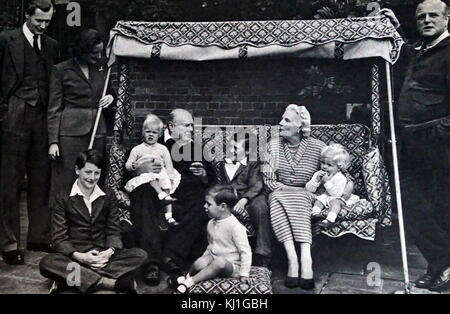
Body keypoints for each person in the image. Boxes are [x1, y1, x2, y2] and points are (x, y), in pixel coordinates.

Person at [382, 0, 450, 292]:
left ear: (447, 18)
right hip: (410, 143)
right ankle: (442, 261)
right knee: (411, 203)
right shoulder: (421, 50)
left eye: (433, 15)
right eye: (421, 16)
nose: (426, 20)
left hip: (436, 143)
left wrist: (439, 132)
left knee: (438, 205)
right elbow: (405, 54)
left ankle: (441, 267)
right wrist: (394, 27)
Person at [39, 150, 148, 294]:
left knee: (140, 255)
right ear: (77, 170)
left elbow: (113, 229)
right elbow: (59, 238)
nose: (92, 178)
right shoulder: (62, 197)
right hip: (76, 255)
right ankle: (108, 283)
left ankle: (74, 280)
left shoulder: (108, 195)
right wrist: (82, 257)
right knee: (47, 262)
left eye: (97, 173)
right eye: (88, 172)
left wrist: (109, 252)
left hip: (102, 255)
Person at [0, 0, 59, 263]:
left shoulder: (51, 45)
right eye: (39, 21)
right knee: (9, 181)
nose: (43, 26)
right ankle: (9, 243)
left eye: (47, 21)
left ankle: (38, 237)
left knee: (41, 178)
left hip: (42, 117)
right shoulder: (5, 39)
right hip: (13, 114)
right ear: (27, 16)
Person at [129, 108, 215, 286]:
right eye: (186, 125)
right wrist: (141, 169)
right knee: (142, 194)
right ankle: (151, 263)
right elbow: (131, 170)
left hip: (186, 195)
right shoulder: (153, 141)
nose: (191, 129)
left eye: (191, 125)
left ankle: (171, 257)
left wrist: (203, 174)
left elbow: (212, 179)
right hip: (156, 191)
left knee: (200, 201)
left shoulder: (196, 148)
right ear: (171, 126)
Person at [47, 28, 114, 203]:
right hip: (69, 134)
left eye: (100, 52)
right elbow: (54, 107)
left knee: (92, 176)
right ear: (81, 51)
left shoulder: (103, 67)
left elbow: (112, 91)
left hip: (97, 130)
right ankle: (62, 222)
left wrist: (111, 97)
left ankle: (88, 220)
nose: (99, 57)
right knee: (67, 178)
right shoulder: (60, 70)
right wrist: (53, 141)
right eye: (94, 53)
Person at [173, 185, 252, 294]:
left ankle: (189, 283)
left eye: (209, 204)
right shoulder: (211, 223)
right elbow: (211, 245)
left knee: (219, 262)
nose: (205, 206)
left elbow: (246, 252)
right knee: (199, 263)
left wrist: (244, 274)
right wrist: (203, 260)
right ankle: (186, 276)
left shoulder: (236, 227)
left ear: (223, 207)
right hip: (215, 257)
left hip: (231, 265)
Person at [215, 133, 272, 267]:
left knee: (260, 207)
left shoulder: (252, 163)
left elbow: (256, 185)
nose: (230, 151)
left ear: (247, 151)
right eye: (229, 147)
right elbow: (219, 183)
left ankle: (263, 255)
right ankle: (221, 255)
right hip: (231, 197)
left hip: (252, 196)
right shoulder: (222, 163)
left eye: (235, 148)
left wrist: (243, 200)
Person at [125, 114, 180, 226]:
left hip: (161, 173)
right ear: (143, 132)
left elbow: (169, 165)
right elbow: (128, 165)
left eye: (154, 132)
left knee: (167, 187)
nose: (151, 134)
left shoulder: (163, 149)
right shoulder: (137, 149)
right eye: (148, 131)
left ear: (159, 134)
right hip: (146, 176)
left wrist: (170, 178)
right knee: (150, 178)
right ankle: (160, 194)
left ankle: (168, 215)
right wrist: (134, 166)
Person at [307, 143, 359, 229]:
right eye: (322, 163)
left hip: (338, 197)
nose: (324, 167)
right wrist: (315, 180)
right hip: (327, 195)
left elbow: (337, 194)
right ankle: (315, 215)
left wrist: (326, 182)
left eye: (329, 165)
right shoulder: (319, 174)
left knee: (336, 203)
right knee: (319, 200)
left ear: (339, 167)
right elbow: (309, 189)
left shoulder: (340, 177)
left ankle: (330, 220)